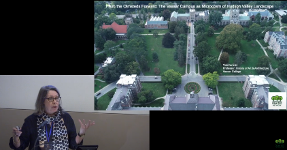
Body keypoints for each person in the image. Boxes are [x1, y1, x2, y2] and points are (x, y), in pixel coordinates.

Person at [9, 85, 95, 150]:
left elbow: (73, 144)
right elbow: (21, 146)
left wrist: (81, 133)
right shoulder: (31, 120)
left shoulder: (66, 118)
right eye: (50, 99)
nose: (55, 102)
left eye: (57, 98)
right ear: (42, 101)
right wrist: (16, 138)